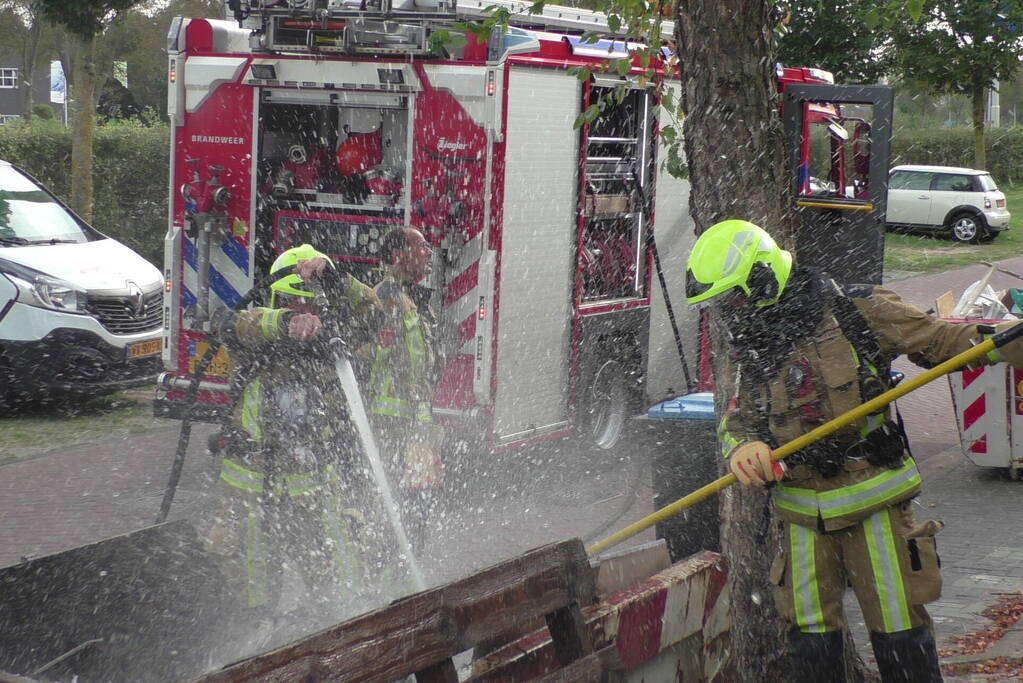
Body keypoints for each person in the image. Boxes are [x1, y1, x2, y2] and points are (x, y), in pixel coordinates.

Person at [685, 219, 1023, 683]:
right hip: (800, 515)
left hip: (875, 506)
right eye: (722, 303)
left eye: (734, 296)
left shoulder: (856, 309)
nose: (730, 311)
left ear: (763, 275)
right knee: (810, 640)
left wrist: (1007, 341)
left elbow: (943, 343)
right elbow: (737, 419)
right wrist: (741, 446)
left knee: (899, 632)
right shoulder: (753, 340)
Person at [204, 243, 379, 642]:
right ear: (275, 297)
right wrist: (283, 322)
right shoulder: (253, 335)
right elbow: (232, 322)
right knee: (253, 591)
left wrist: (337, 278)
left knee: (336, 581)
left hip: (312, 487)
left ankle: (342, 644)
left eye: (309, 307)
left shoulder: (329, 344)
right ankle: (249, 649)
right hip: (250, 489)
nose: (305, 317)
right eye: (290, 303)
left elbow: (374, 314)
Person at [362, 227, 442, 550]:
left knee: (419, 506)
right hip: (390, 423)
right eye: (420, 247)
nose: (427, 253)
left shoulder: (414, 299)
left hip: (416, 424)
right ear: (398, 256)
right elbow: (360, 353)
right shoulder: (382, 298)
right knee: (392, 506)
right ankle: (389, 572)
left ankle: (411, 576)